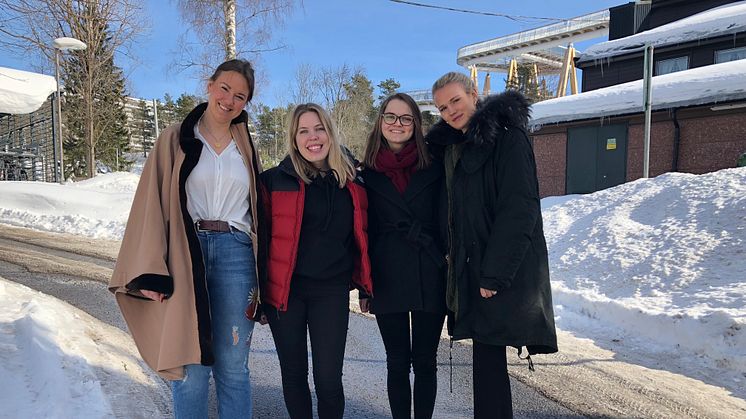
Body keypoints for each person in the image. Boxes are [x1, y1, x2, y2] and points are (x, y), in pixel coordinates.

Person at [109, 59, 265, 418]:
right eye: (224, 88)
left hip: (237, 255)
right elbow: (151, 205)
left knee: (233, 366)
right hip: (185, 254)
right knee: (190, 366)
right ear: (209, 85)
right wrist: (151, 269)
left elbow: (260, 209)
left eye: (240, 96)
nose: (230, 99)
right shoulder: (176, 138)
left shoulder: (246, 146)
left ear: (246, 103)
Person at [425, 72, 558, 419]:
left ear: (473, 94)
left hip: (495, 270)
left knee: (489, 359)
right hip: (472, 265)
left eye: (455, 100)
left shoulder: (508, 138)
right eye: (442, 107)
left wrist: (494, 274)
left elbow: (520, 208)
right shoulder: (455, 147)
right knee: (486, 361)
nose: (450, 111)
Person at [260, 103, 373, 419]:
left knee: (328, 380)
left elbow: (365, 236)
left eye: (319, 128)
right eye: (303, 131)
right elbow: (260, 241)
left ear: (331, 133)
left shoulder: (353, 182)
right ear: (293, 138)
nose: (313, 137)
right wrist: (258, 295)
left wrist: (366, 286)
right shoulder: (273, 181)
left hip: (331, 293)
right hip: (286, 294)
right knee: (294, 376)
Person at [359, 93, 446, 419]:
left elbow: (446, 221)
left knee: (425, 361)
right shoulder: (365, 173)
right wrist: (365, 284)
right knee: (396, 361)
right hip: (386, 273)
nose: (397, 124)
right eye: (390, 117)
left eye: (405, 118)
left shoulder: (436, 166)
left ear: (416, 125)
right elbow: (361, 232)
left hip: (429, 269)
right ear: (380, 122)